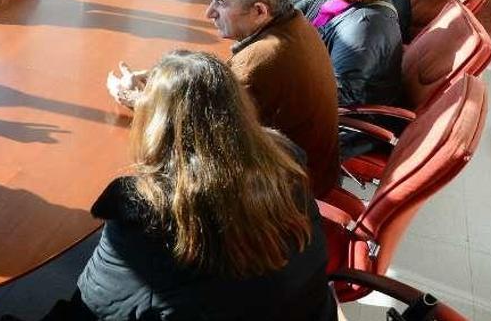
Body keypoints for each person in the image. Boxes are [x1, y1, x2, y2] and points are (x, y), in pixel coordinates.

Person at [74, 51, 336, 320]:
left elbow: (95, 304)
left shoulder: (144, 208)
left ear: (156, 124)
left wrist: (150, 104)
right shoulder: (286, 159)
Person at [108, 0, 339, 198]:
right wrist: (163, 77)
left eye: (221, 2)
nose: (209, 13)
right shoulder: (294, 23)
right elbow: (222, 83)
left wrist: (141, 101)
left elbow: (196, 130)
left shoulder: (261, 61)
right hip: (305, 173)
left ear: (259, 11)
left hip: (280, 196)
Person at [295, 0, 403, 109]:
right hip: (304, 69)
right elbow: (304, 7)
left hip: (335, 121)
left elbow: (340, 94)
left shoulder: (365, 27)